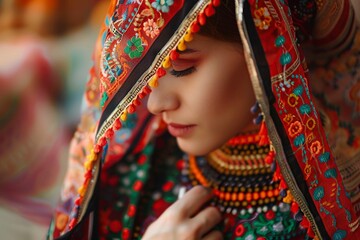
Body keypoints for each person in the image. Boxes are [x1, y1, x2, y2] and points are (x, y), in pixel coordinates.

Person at [47, 0, 360, 239]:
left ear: (267, 45)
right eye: (144, 73)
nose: (155, 103)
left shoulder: (342, 200)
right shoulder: (133, 170)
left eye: (182, 68)